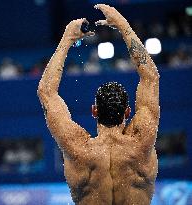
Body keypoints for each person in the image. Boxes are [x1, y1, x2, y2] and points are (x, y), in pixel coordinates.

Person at [37, 4, 159, 205]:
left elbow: (46, 92)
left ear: (94, 111)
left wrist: (67, 38)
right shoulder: (141, 141)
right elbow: (151, 78)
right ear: (127, 112)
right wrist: (123, 25)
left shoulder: (78, 148)